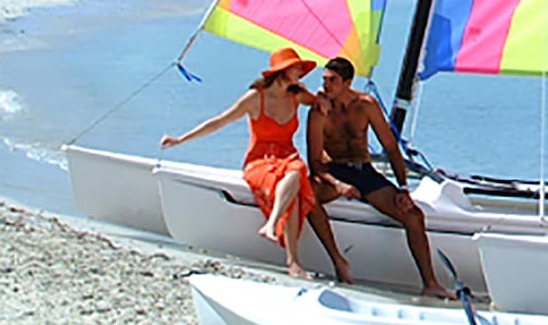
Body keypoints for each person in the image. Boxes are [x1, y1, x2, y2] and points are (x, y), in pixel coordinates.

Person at [161, 47, 352, 282]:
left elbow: (321, 101)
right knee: (295, 178)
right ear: (282, 71)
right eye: (295, 68)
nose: (300, 72)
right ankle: (291, 258)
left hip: (288, 159)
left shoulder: (297, 95)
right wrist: (180, 140)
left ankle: (282, 243)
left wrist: (322, 100)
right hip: (259, 162)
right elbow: (220, 121)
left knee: (295, 173)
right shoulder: (255, 98)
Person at [308, 56, 446, 298]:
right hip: (334, 171)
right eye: (324, 80)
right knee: (308, 195)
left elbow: (391, 148)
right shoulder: (320, 111)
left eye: (333, 81)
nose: (326, 85)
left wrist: (403, 188)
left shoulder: (366, 105)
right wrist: (339, 185)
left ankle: (430, 283)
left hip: (363, 171)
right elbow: (315, 163)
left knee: (413, 216)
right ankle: (339, 260)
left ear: (347, 82)